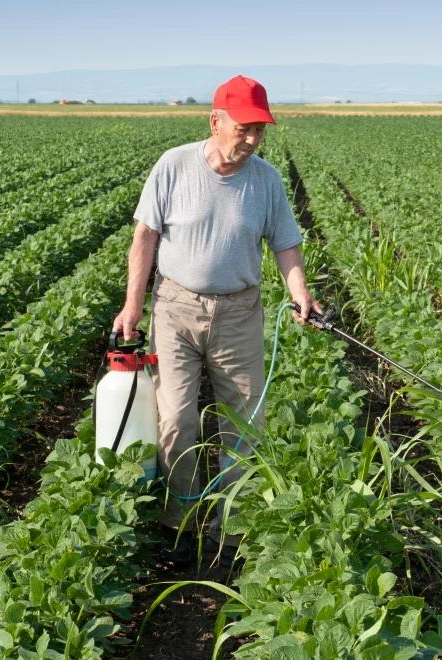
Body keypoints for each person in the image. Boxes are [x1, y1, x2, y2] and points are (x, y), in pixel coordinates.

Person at [112, 74, 322, 560]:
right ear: (215, 121)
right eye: (243, 128)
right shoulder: (174, 167)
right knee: (177, 417)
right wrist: (132, 305)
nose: (251, 140)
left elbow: (285, 243)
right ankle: (180, 521)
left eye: (259, 131)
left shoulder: (266, 180)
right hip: (176, 308)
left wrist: (301, 294)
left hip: (239, 312)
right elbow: (144, 239)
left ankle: (233, 528)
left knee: (243, 421)